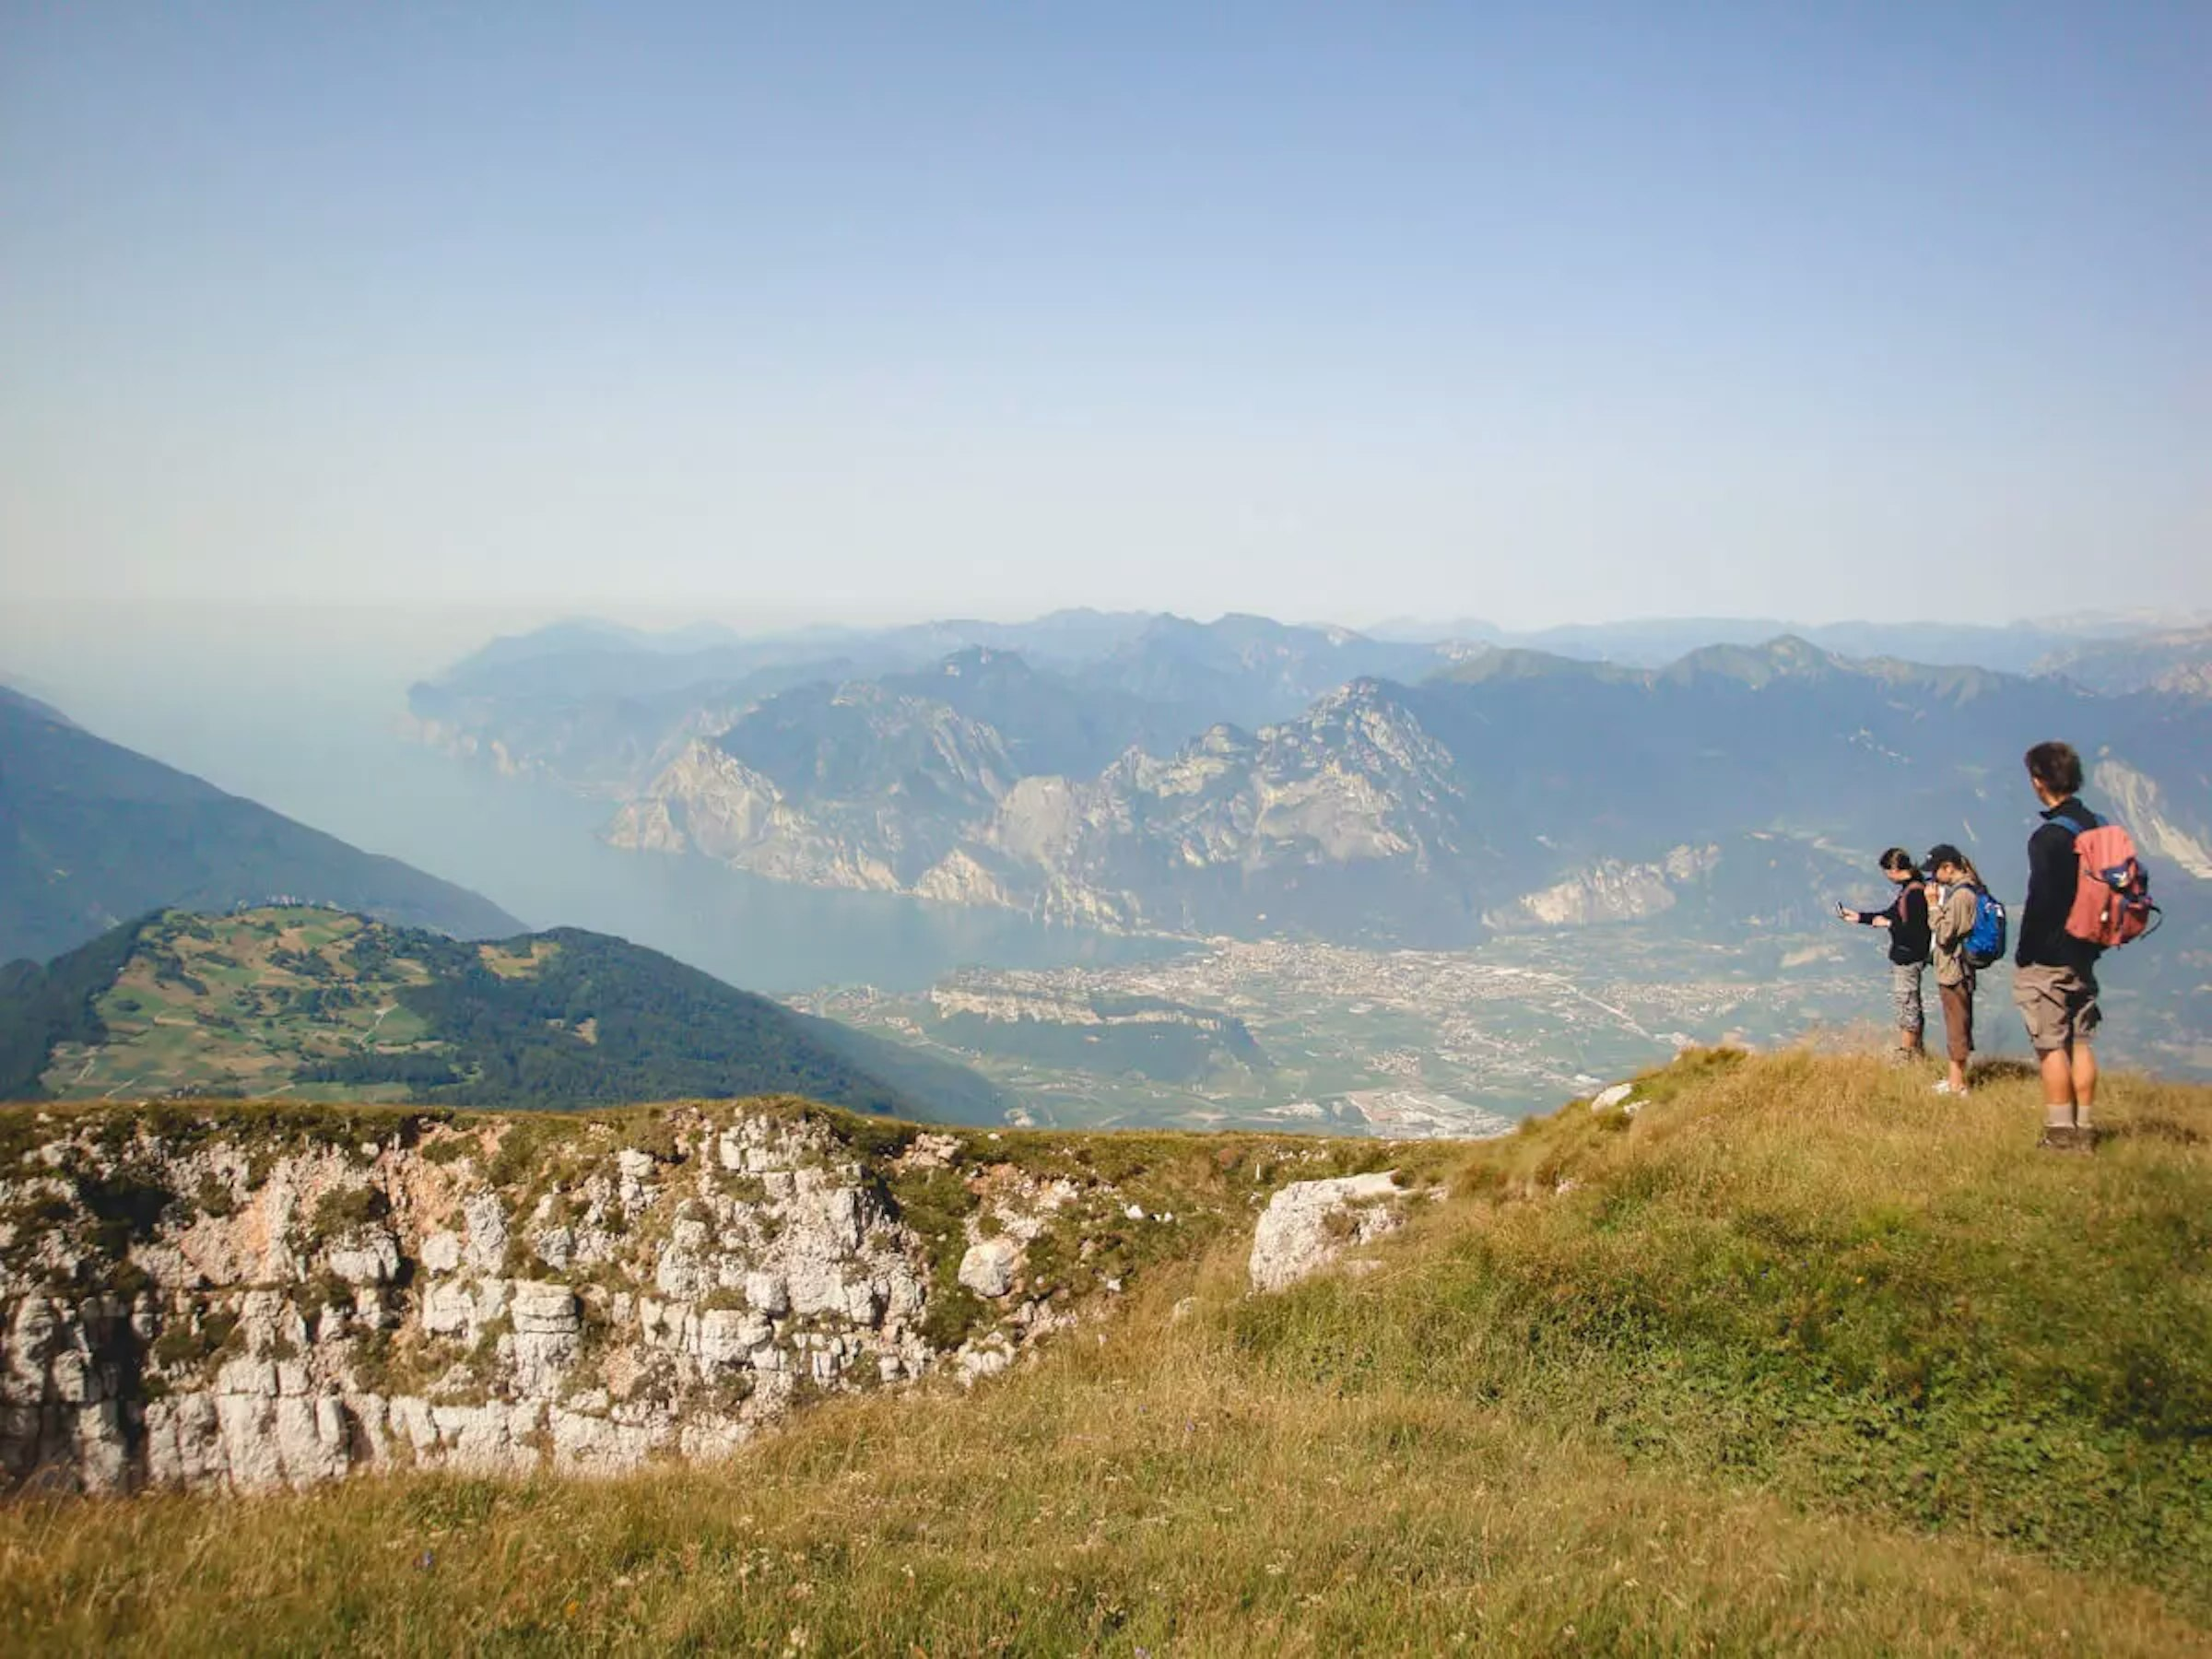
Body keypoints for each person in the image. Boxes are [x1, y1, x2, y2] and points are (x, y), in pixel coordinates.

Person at [2016, 741, 2102, 1151]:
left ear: (2039, 781)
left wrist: (2026, 953)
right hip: (2088, 950)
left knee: (2051, 1045)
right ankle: (2085, 1129)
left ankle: (2058, 1132)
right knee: (2081, 1041)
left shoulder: (2049, 837)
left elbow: (2042, 901)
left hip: (2049, 955)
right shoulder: (2096, 826)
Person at [1837, 848, 1932, 1061]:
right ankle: (1913, 1052)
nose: (1887, 877)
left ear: (1895, 869)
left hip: (1909, 957)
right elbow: (1892, 914)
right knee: (1908, 1002)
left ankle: (1908, 1053)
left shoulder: (1914, 892)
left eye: (1887, 872)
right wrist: (1860, 917)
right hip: (1908, 956)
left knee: (1907, 1002)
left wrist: (1889, 924)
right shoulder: (1910, 889)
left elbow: (1915, 927)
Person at [1923, 843, 1983, 1097]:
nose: (1934, 878)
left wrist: (1933, 905)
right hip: (1957, 968)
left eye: (1936, 871)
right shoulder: (1967, 892)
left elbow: (1945, 934)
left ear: (1948, 868)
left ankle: (1957, 1084)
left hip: (1954, 969)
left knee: (1956, 1023)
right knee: (1956, 1021)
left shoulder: (1961, 896)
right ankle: (1954, 1078)